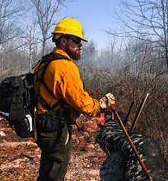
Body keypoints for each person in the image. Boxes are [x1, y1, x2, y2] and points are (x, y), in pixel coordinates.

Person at [33, 17, 115, 181]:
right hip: (56, 129)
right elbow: (80, 101)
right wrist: (99, 105)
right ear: (63, 41)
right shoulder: (65, 67)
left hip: (42, 125)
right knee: (55, 174)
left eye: (80, 42)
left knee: (48, 168)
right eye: (76, 41)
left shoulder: (45, 61)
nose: (80, 46)